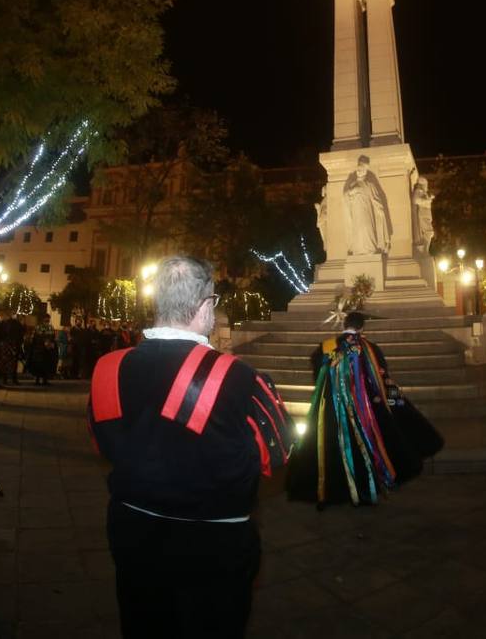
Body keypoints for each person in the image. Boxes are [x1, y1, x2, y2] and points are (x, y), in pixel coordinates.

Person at [87, 256, 293, 638]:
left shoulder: (107, 368)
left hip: (133, 532)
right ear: (205, 306)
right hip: (213, 546)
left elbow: (103, 441)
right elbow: (276, 451)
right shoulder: (240, 377)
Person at [287, 310, 443, 507]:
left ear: (344, 324)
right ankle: (366, 488)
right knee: (367, 444)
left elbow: (318, 377)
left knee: (330, 447)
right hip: (365, 410)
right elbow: (383, 379)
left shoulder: (325, 347)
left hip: (333, 410)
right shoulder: (370, 349)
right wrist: (399, 401)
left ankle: (330, 490)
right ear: (362, 327)